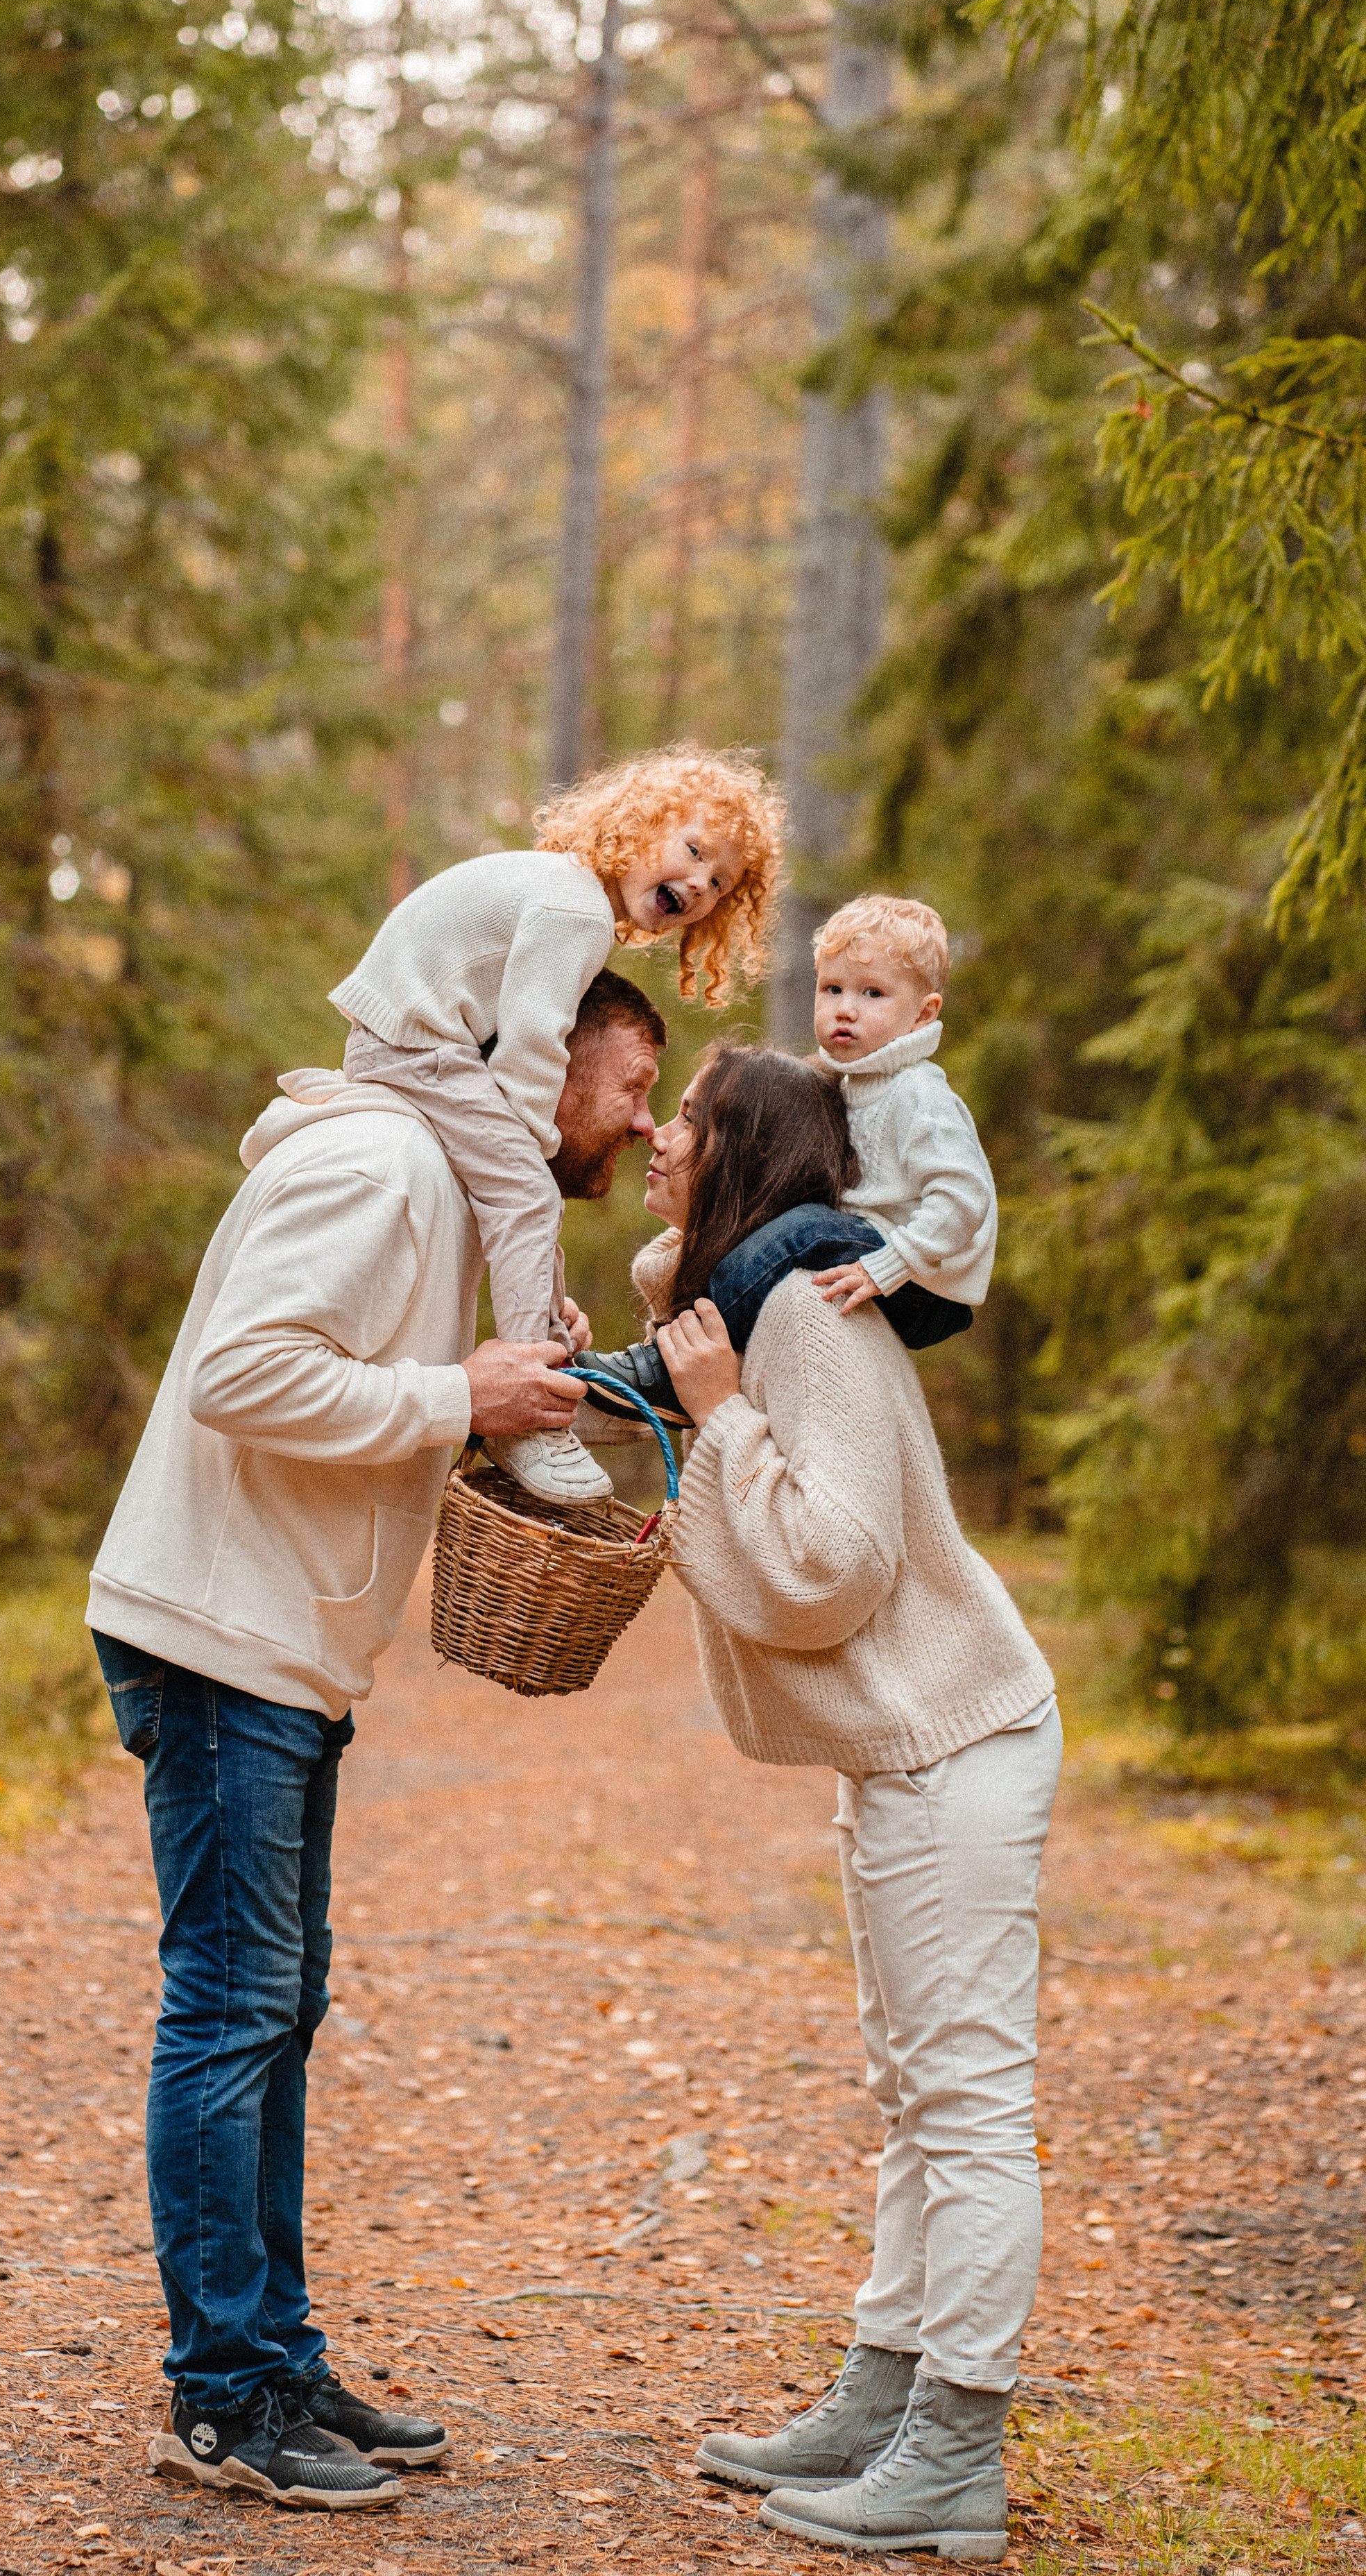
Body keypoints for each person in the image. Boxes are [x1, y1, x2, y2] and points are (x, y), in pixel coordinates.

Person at [85, 970, 666, 2516]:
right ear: (539, 1066)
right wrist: (451, 1385)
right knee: (230, 2008)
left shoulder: (437, 1194)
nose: (641, 1122)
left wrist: (505, 1397)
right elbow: (241, 1377)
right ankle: (219, 2400)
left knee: (276, 2005)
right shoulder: (376, 1164)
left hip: (278, 1642)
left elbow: (368, 1397)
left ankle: (273, 2356)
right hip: (219, 1635)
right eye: (629, 1086)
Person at [639, 1042, 1057, 2566]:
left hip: (952, 1742)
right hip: (907, 1753)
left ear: (737, 1146)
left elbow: (828, 1567)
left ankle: (952, 2452)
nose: (652, 1135)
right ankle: (878, 2398)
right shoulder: (754, 1306)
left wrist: (721, 1417)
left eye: (680, 1120)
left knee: (964, 2105)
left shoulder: (799, 1335)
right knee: (912, 2094)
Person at [330, 744, 780, 1502]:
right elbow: (534, 1043)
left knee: (519, 1196)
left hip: (411, 1036)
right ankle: (530, 1418)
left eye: (719, 883)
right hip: (416, 1043)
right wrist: (534, 1145)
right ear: (640, 828)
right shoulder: (574, 907)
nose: (700, 884)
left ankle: (553, 1365)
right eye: (694, 852)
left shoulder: (564, 894)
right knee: (526, 1193)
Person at [582, 892, 996, 1428]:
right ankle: (670, 1372)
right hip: (887, 1259)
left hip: (922, 1280)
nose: (846, 1008)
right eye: (833, 989)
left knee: (802, 1232)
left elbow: (966, 1200)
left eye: (873, 993)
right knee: (798, 1229)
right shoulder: (853, 1083)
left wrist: (890, 1265)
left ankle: (667, 1366)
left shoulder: (918, 1094)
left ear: (923, 1014)